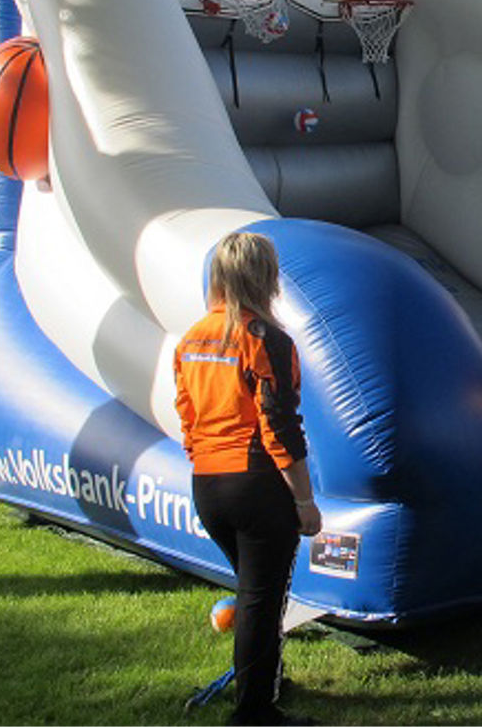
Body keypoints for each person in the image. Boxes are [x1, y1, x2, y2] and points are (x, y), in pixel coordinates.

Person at [174, 232, 322, 727]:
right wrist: (304, 500)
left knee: (254, 590)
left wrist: (203, 461)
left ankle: (264, 678)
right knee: (262, 596)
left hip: (208, 484)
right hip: (256, 483)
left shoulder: (192, 338)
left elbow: (187, 415)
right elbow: (279, 425)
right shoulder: (265, 338)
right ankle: (255, 710)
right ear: (267, 278)